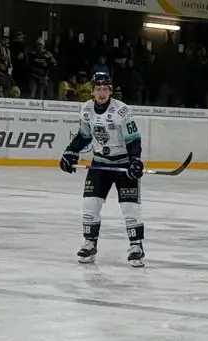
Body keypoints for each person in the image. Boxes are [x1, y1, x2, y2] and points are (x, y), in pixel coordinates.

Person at [60, 69, 145, 267]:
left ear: (111, 90)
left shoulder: (122, 111)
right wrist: (70, 152)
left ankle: (136, 246)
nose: (101, 92)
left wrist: (134, 160)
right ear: (92, 91)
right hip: (100, 163)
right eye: (98, 88)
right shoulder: (87, 109)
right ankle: (89, 243)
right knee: (90, 204)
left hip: (123, 163)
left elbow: (133, 138)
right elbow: (84, 135)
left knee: (129, 207)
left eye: (105, 89)